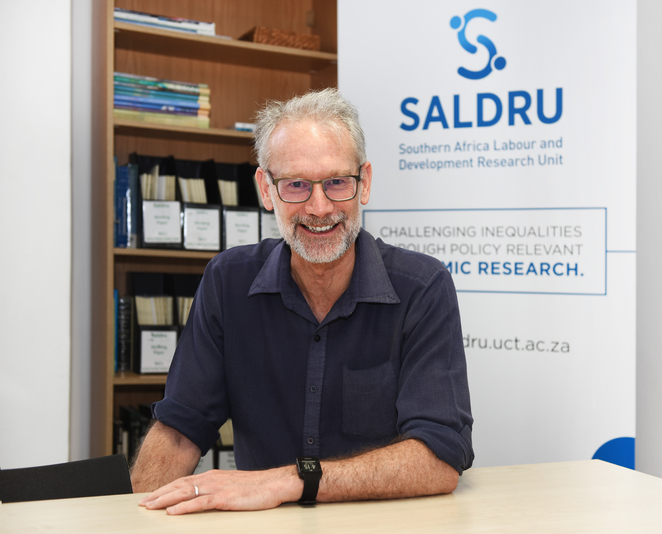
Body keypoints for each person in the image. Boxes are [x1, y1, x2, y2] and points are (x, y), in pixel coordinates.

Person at [130, 88, 474, 515]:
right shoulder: (228, 281)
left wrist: (286, 481)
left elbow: (439, 458)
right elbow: (180, 429)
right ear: (265, 189)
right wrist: (132, 517)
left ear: (363, 183)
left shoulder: (423, 287)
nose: (319, 206)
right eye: (295, 184)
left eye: (337, 182)